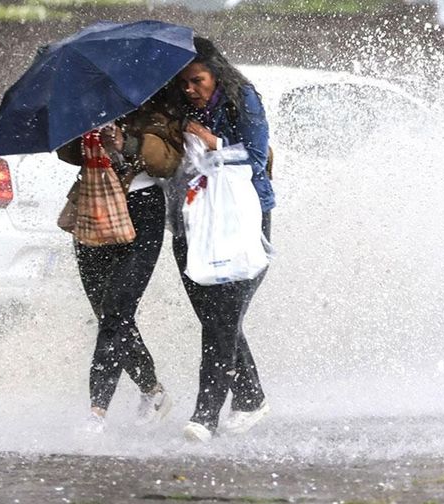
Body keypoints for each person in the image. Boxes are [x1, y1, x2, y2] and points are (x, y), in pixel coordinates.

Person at [168, 37, 275, 442]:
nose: (190, 90)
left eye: (197, 80)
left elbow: (257, 153)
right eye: (183, 84)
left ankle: (204, 415)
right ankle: (250, 398)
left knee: (222, 319)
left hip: (241, 218)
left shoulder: (242, 98)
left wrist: (213, 144)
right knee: (215, 318)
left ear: (217, 74)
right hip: (191, 221)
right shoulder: (177, 109)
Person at [57, 99, 184, 433]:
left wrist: (124, 143)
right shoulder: (86, 104)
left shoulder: (156, 104)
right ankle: (153, 391)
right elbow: (67, 154)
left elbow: (166, 162)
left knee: (116, 310)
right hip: (93, 204)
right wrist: (79, 129)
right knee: (109, 316)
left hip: (143, 209)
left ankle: (97, 412)